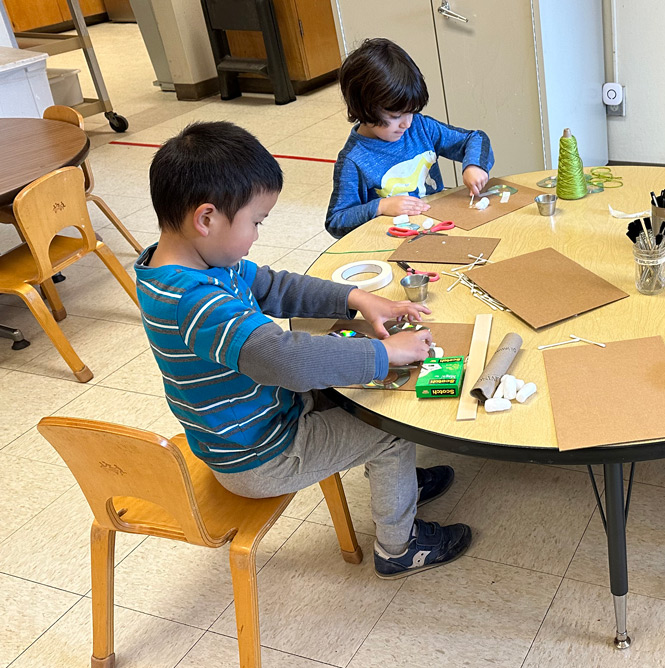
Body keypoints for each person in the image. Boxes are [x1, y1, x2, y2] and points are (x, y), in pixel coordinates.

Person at [137, 121, 472, 578]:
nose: (257, 235)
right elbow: (285, 360)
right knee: (393, 429)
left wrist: (356, 298)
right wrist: (387, 353)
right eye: (255, 222)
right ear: (207, 218)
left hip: (261, 418)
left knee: (365, 394)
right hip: (261, 454)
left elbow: (275, 287)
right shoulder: (195, 301)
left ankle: (401, 487)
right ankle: (399, 546)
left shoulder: (198, 260)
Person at [325, 38, 495, 238]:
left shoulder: (420, 127)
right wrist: (380, 206)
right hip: (390, 244)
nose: (406, 123)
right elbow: (336, 221)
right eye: (395, 116)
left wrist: (474, 165)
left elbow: (475, 139)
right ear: (363, 109)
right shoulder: (353, 160)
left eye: (411, 112)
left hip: (437, 231)